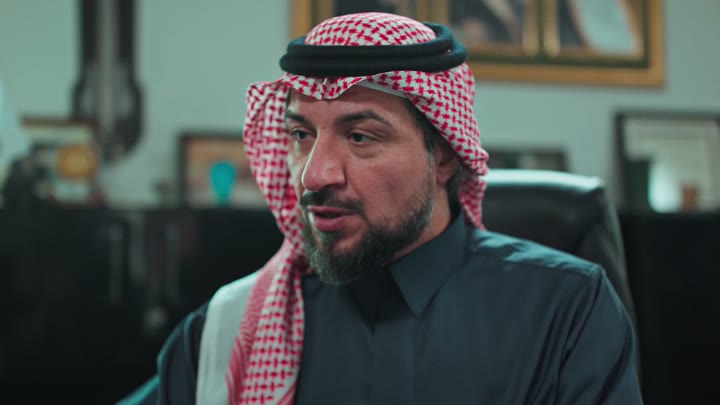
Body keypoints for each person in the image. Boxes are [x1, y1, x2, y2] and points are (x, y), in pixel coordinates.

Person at [118, 12, 642, 405]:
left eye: (361, 136)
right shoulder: (234, 329)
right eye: (301, 135)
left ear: (444, 157)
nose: (314, 176)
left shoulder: (564, 310)